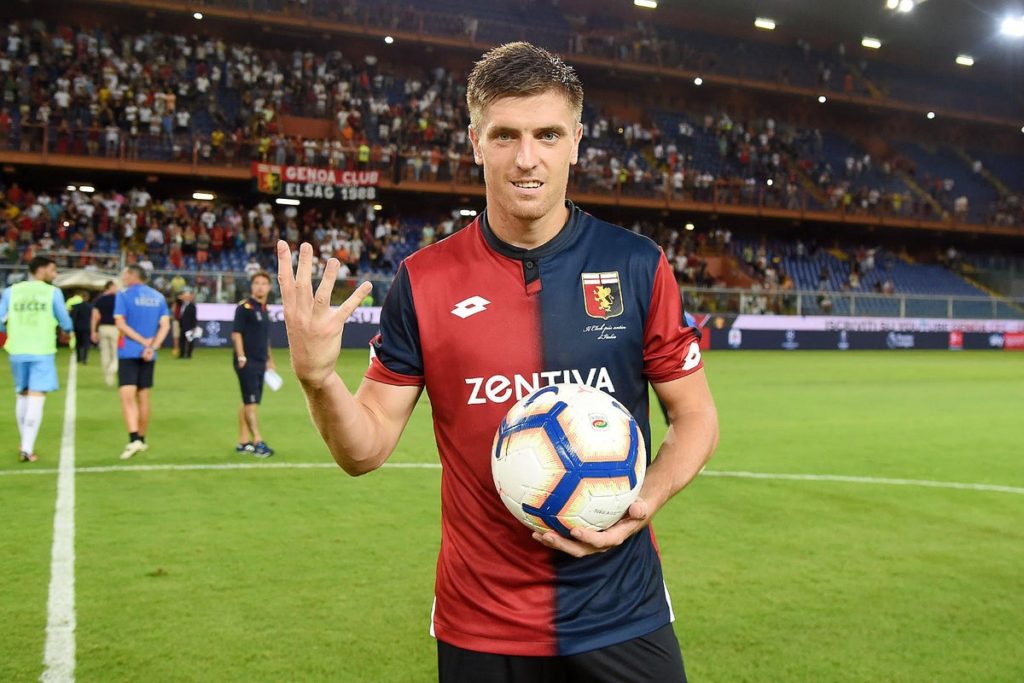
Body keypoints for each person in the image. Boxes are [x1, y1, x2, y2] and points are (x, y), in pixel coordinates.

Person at [277, 42, 718, 683]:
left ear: (576, 142)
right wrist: (318, 379)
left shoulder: (636, 264)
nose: (527, 158)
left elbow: (696, 417)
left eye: (548, 135)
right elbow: (363, 450)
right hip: (482, 624)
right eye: (505, 135)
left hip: (623, 611)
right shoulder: (425, 281)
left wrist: (642, 503)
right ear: (476, 143)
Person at [0, 256, 74, 462]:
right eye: (53, 270)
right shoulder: (52, 292)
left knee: (22, 394)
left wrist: (10, 331)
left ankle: (24, 441)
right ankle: (27, 448)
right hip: (41, 349)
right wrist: (68, 330)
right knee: (36, 396)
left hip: (16, 349)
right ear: (41, 269)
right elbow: (64, 319)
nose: (55, 274)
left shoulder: (11, 291)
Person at [113, 265, 170, 460]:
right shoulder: (158, 297)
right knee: (143, 396)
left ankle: (134, 438)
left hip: (128, 351)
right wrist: (153, 346)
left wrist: (142, 341)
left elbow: (120, 323)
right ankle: (142, 439)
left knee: (127, 395)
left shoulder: (123, 295)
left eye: (124, 274)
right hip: (149, 353)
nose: (123, 277)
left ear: (132, 275)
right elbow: (165, 325)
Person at [231, 271, 277, 457]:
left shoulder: (264, 309)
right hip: (247, 362)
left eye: (264, 283)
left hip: (260, 361)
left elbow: (265, 338)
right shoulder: (244, 308)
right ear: (251, 286)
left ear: (269, 287)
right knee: (251, 403)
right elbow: (236, 334)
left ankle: (243, 442)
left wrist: (270, 359)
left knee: (248, 401)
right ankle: (258, 441)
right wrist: (241, 357)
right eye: (257, 283)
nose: (260, 286)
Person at [90, 280, 119, 386]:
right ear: (110, 287)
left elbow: (95, 317)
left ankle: (108, 379)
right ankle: (113, 368)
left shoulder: (98, 300)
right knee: (116, 352)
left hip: (102, 328)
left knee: (105, 353)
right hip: (115, 329)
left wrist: (93, 331)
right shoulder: (118, 299)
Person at [68, 290, 94, 364]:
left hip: (78, 327)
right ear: (88, 298)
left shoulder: (76, 306)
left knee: (78, 343)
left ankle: (78, 358)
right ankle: (84, 358)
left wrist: (73, 326)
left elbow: (73, 317)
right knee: (86, 343)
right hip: (87, 327)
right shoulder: (90, 307)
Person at [178, 290, 197, 359]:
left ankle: (189, 354)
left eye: (186, 296)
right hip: (182, 325)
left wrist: (194, 326)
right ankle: (182, 354)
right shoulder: (181, 304)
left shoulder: (192, 306)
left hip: (189, 326)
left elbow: (194, 317)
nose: (184, 298)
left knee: (190, 340)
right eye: (184, 296)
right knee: (182, 340)